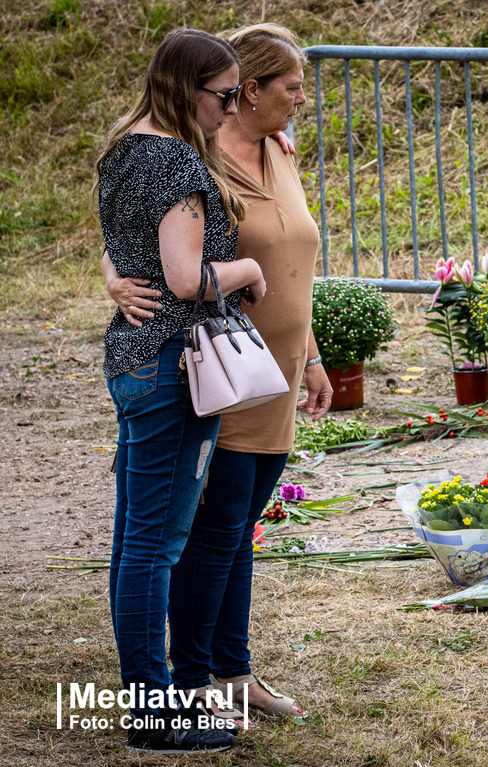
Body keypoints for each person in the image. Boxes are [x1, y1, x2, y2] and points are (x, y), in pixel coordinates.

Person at [105, 23, 329, 721]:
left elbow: (294, 262)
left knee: (232, 527)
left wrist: (314, 356)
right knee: (198, 531)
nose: (301, 98)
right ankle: (189, 678)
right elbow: (151, 251)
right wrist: (114, 276)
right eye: (288, 85)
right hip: (216, 367)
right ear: (241, 91)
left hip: (274, 369)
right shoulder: (193, 157)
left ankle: (228, 670)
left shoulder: (274, 152)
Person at [97, 27, 266, 752]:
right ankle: (154, 708)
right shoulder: (173, 160)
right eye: (224, 95)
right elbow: (185, 277)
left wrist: (110, 274)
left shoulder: (126, 146)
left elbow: (120, 244)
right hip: (174, 360)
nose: (231, 110)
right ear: (184, 87)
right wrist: (249, 270)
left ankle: (149, 694)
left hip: (134, 360)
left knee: (134, 535)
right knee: (157, 542)